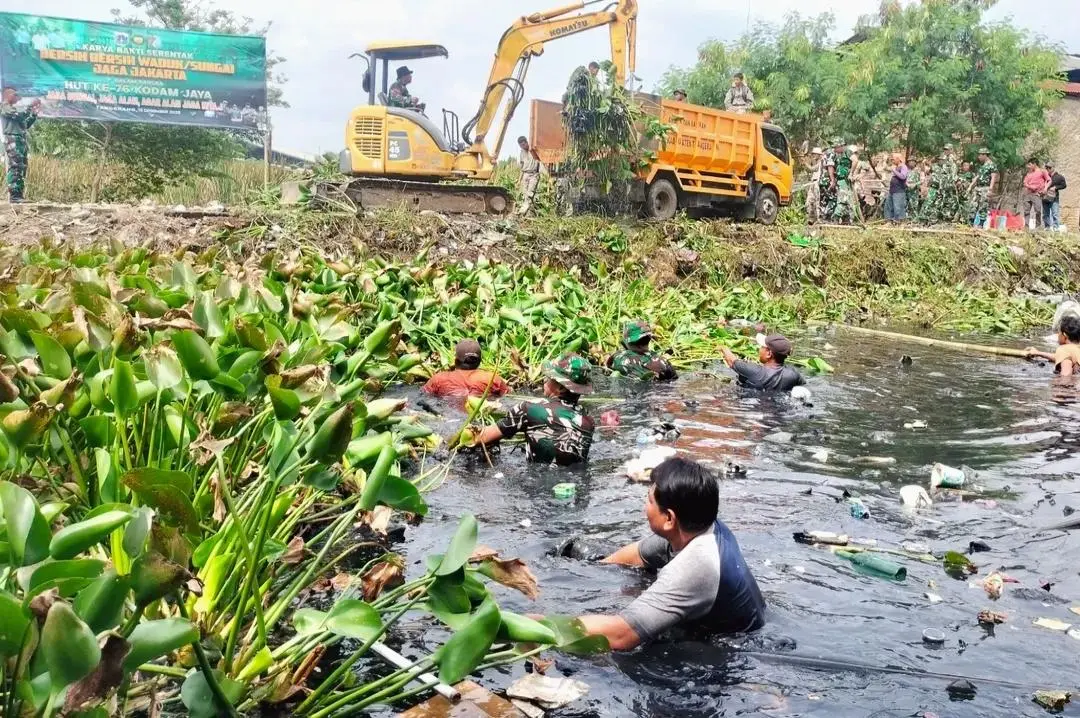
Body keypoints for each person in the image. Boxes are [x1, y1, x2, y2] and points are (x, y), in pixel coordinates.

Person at [575, 457, 766, 650]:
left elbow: (621, 635)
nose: (644, 507)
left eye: (649, 501)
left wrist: (547, 625)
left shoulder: (696, 564)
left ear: (669, 518)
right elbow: (638, 554)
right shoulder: (700, 524)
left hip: (725, 652)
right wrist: (593, 570)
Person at [467, 353, 595, 466]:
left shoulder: (529, 409)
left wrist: (466, 433)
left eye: (550, 377)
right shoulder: (588, 421)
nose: (545, 380)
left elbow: (481, 438)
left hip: (537, 485)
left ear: (561, 387)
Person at [423, 339, 511, 400]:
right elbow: (508, 397)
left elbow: (422, 396)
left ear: (456, 361)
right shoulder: (492, 378)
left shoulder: (439, 379)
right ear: (480, 361)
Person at [721, 333, 805, 392]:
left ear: (769, 354)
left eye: (762, 347)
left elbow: (731, 360)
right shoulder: (793, 374)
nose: (759, 349)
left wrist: (723, 347)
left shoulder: (753, 371)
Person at [1, 88, 41, 203]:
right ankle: (14, 196)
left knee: (21, 167)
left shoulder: (13, 109)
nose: (17, 97)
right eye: (15, 94)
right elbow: (20, 116)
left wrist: (33, 114)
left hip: (20, 139)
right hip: (12, 139)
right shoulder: (4, 106)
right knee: (15, 166)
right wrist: (29, 107)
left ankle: (19, 195)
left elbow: (25, 124)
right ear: (7, 95)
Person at [606, 321, 677, 382]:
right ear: (649, 339)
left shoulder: (621, 359)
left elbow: (608, 364)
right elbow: (674, 379)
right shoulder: (663, 362)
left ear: (628, 341)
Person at [968, 148, 998, 228]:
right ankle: (970, 223)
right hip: (978, 187)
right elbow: (978, 176)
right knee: (973, 205)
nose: (979, 157)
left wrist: (990, 189)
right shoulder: (982, 165)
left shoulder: (991, 165)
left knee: (983, 206)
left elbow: (993, 177)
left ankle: (981, 224)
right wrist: (971, 186)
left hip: (985, 188)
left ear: (985, 155)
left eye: (980, 155)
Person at [516, 136, 545, 216]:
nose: (522, 147)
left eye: (523, 144)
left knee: (530, 194)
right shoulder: (522, 153)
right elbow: (521, 168)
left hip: (534, 174)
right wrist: (519, 180)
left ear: (526, 142)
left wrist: (544, 174)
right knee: (525, 194)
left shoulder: (533, 150)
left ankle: (522, 212)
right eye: (520, 146)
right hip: (525, 174)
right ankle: (530, 214)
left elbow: (541, 161)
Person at [831, 140, 855, 224]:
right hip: (840, 179)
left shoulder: (848, 152)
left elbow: (855, 161)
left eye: (836, 148)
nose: (835, 150)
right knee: (844, 199)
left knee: (843, 199)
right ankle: (845, 219)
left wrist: (851, 173)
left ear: (841, 146)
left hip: (845, 180)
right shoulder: (838, 155)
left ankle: (838, 217)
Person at [883, 153, 909, 222]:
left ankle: (897, 221)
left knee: (897, 207)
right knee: (888, 206)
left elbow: (903, 177)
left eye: (893, 159)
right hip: (892, 191)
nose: (892, 161)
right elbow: (885, 168)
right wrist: (885, 160)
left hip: (899, 191)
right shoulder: (895, 167)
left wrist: (894, 170)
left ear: (898, 159)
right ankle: (889, 221)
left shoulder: (903, 167)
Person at [817, 142, 838, 221]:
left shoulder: (824, 154)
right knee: (832, 199)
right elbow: (830, 166)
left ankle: (821, 217)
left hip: (822, 180)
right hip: (827, 181)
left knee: (823, 200)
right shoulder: (831, 154)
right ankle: (827, 217)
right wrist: (832, 180)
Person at [1043, 162, 1066, 231]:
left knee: (1055, 213)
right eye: (1046, 168)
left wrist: (1055, 187)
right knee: (1045, 213)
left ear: (1053, 168)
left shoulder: (1059, 177)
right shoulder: (1045, 176)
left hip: (1054, 198)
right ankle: (1047, 227)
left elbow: (1064, 185)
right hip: (1045, 197)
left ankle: (1056, 228)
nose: (1048, 169)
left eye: (1049, 168)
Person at [806, 147, 823, 224]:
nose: (813, 156)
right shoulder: (816, 162)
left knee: (816, 202)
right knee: (810, 201)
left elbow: (812, 169)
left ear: (819, 155)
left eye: (815, 154)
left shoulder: (820, 163)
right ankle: (811, 218)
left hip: (816, 183)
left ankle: (818, 219)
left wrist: (805, 163)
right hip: (813, 183)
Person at [906, 158, 923, 223]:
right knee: (907, 205)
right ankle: (908, 219)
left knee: (914, 206)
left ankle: (915, 219)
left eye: (912, 162)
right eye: (909, 162)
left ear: (915, 163)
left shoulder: (918, 171)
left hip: (914, 191)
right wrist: (906, 184)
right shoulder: (906, 171)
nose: (911, 163)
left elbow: (922, 180)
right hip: (907, 190)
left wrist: (915, 184)